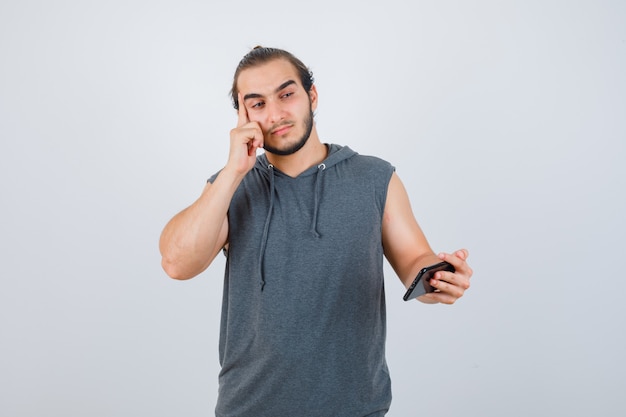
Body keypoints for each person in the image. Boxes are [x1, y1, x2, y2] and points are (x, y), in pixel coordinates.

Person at [159, 46, 472, 417]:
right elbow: (177, 263)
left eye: (286, 94)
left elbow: (415, 262)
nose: (275, 114)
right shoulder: (231, 187)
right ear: (243, 115)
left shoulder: (374, 178)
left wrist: (438, 277)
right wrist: (232, 172)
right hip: (248, 408)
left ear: (312, 95)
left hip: (356, 409)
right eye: (257, 104)